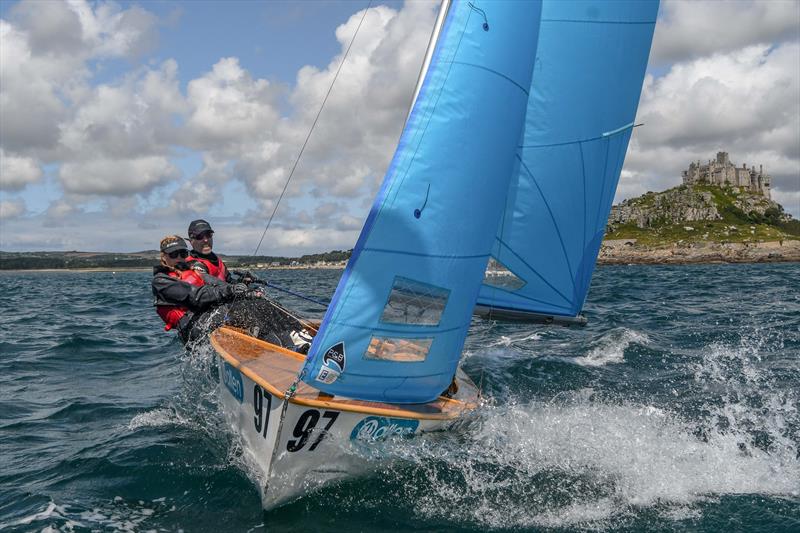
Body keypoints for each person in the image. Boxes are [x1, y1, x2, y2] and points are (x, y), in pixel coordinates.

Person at [152, 235, 250, 343]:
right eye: (174, 254)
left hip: (208, 315)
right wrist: (229, 290)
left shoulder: (194, 271)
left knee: (249, 304)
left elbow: (219, 284)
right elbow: (195, 295)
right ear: (164, 257)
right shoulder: (160, 281)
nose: (179, 258)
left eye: (183, 254)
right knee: (232, 312)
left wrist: (242, 288)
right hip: (191, 328)